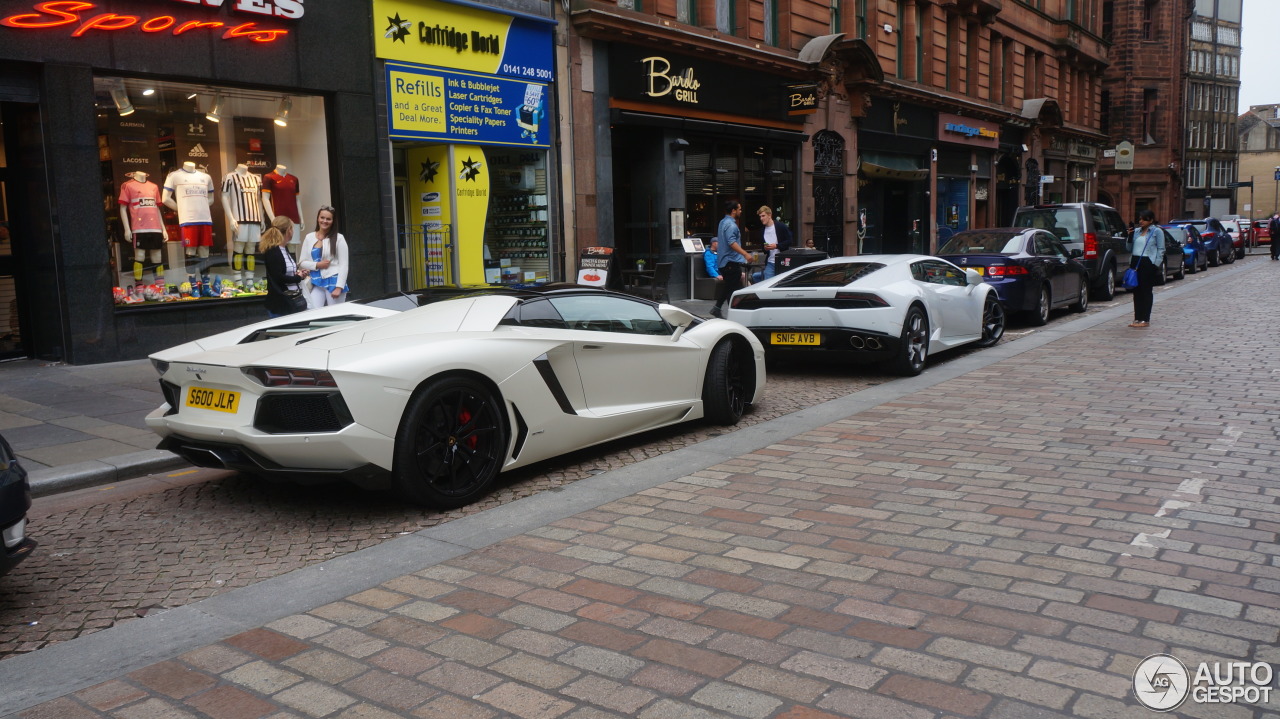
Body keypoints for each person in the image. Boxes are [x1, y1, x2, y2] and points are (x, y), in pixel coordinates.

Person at [298, 205, 349, 308]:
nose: (324, 221)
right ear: (318, 218)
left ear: (333, 221)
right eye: (322, 217)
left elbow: (344, 265)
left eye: (328, 219)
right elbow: (302, 262)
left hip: (334, 282)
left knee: (335, 315)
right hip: (317, 282)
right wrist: (317, 265)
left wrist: (339, 287)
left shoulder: (339, 238)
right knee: (312, 311)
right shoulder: (309, 237)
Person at [258, 215, 306, 318]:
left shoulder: (284, 249)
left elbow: (285, 272)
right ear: (289, 230)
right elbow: (278, 277)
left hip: (291, 300)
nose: (293, 231)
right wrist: (298, 278)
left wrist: (299, 274)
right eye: (292, 228)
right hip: (281, 303)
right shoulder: (273, 251)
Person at [710, 200, 750, 318]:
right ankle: (722, 308)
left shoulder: (722, 222)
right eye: (739, 209)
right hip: (731, 262)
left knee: (731, 288)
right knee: (732, 288)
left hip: (724, 262)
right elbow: (732, 242)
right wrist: (745, 254)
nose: (741, 211)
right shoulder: (732, 225)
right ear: (733, 211)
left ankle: (729, 311)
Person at [1128, 210, 1163, 328]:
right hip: (1135, 262)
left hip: (1147, 262)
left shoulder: (1156, 231)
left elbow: (1161, 249)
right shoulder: (1136, 232)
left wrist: (1155, 264)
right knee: (1136, 291)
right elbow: (1128, 248)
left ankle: (1145, 319)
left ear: (1151, 220)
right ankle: (1137, 318)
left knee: (1146, 291)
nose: (1141, 221)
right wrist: (1129, 236)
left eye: (1144, 219)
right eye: (1140, 219)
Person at [752, 206, 793, 282]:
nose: (761, 218)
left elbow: (790, 240)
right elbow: (763, 248)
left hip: (783, 260)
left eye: (763, 216)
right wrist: (765, 248)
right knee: (768, 283)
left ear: (769, 215)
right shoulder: (762, 231)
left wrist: (776, 246)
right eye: (760, 216)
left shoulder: (780, 226)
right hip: (771, 261)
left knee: (782, 283)